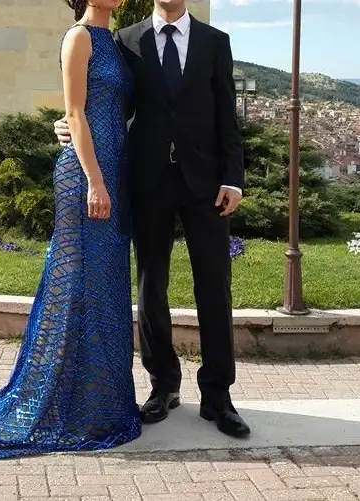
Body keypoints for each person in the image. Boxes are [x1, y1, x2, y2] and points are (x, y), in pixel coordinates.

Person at [0, 0, 142, 461]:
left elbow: (115, 110)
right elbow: (75, 113)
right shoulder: (78, 37)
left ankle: (97, 404)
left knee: (104, 288)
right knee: (73, 285)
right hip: (87, 178)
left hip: (114, 176)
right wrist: (95, 181)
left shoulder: (115, 44)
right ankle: (57, 403)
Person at [55, 0, 251, 438]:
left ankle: (218, 396)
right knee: (150, 285)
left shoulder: (215, 42)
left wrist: (233, 179)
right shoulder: (125, 41)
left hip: (206, 185)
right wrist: (64, 121)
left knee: (214, 286)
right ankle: (163, 386)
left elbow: (227, 116)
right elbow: (104, 100)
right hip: (147, 182)